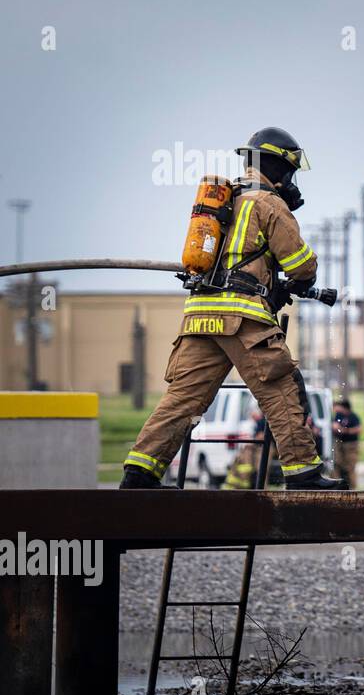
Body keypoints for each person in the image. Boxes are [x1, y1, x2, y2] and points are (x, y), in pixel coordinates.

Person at [120, 127, 346, 491]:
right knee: (281, 387)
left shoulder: (222, 201)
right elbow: (302, 265)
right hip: (241, 318)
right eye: (289, 172)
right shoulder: (268, 204)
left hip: (199, 316)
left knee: (183, 398)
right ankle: (304, 474)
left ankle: (139, 475)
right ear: (277, 167)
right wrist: (298, 283)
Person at [331, 398, 362, 488]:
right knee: (337, 464)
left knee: (350, 467)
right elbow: (334, 426)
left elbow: (358, 429)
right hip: (339, 444)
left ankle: (352, 487)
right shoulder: (338, 416)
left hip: (351, 445)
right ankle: (337, 485)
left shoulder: (353, 416)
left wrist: (344, 430)